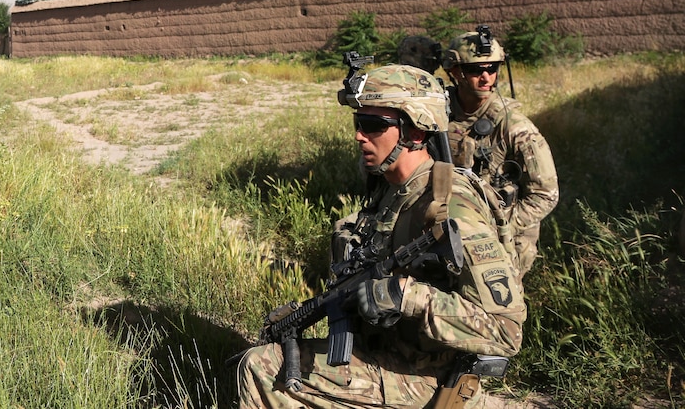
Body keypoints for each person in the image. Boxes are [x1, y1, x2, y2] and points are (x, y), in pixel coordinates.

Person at [237, 64, 525, 408]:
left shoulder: (450, 207)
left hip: (428, 377)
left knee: (260, 367)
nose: (360, 136)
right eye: (358, 123)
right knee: (270, 352)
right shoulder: (392, 188)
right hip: (388, 353)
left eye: (373, 126)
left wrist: (408, 297)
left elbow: (506, 331)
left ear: (416, 131)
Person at [441, 28, 558, 280]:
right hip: (450, 230)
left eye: (492, 68)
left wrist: (501, 227)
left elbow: (546, 194)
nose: (486, 77)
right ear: (455, 72)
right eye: (475, 70)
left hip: (501, 242)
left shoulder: (515, 126)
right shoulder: (438, 113)